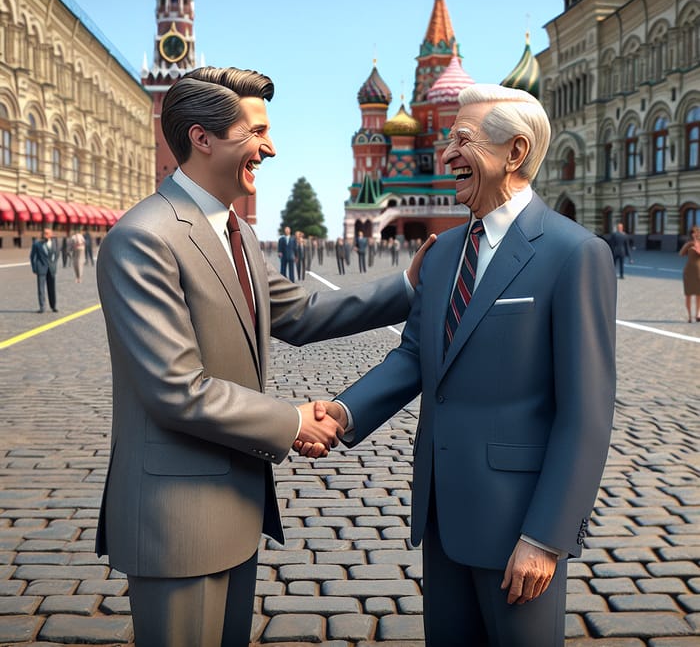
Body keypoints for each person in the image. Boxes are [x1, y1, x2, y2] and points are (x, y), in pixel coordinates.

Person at [95, 65, 433, 647]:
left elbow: (301, 314)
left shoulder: (238, 233)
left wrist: (408, 286)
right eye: (256, 132)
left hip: (236, 506)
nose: (269, 147)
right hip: (177, 516)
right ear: (202, 138)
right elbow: (177, 389)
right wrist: (293, 421)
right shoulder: (145, 237)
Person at [303, 84, 616, 647]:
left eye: (462, 140)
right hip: (441, 513)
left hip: (518, 523)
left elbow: (585, 413)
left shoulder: (575, 253)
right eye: (447, 139)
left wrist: (546, 537)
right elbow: (416, 355)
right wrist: (344, 413)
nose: (446, 155)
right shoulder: (443, 252)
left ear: (515, 154)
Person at [29, 227, 58, 313]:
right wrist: (34, 268)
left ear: (51, 234)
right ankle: (42, 307)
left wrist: (54, 263)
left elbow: (57, 253)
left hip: (51, 269)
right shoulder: (37, 244)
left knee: (52, 288)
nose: (45, 234)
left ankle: (53, 306)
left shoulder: (55, 243)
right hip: (41, 269)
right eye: (44, 233)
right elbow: (32, 256)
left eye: (47, 233)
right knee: (41, 289)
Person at [679, 225, 700, 322]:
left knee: (699, 294)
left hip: (699, 271)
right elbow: (681, 254)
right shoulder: (688, 244)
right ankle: (689, 316)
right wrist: (688, 246)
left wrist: (697, 247)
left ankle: (698, 314)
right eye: (692, 232)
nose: (694, 234)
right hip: (689, 272)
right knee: (688, 294)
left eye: (696, 232)